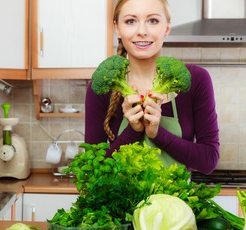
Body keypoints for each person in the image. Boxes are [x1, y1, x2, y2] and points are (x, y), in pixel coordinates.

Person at [84, 0, 219, 174]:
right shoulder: (103, 86)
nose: (142, 31)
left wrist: (157, 134)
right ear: (117, 28)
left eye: (153, 21)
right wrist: (133, 132)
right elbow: (92, 172)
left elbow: (209, 160)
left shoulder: (196, 79)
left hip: (175, 200)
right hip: (122, 202)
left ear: (167, 28)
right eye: (131, 21)